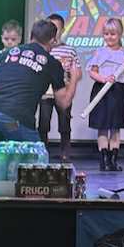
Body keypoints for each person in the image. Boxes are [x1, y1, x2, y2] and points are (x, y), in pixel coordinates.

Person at [0, 19, 77, 144]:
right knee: (36, 153)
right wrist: (74, 77)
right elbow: (63, 104)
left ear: (31, 36)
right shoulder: (52, 63)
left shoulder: (7, 53)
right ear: (53, 41)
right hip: (14, 119)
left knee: (4, 145)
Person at [87, 18, 124, 171]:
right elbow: (92, 72)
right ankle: (103, 160)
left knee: (115, 126)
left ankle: (113, 161)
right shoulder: (99, 52)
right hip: (101, 90)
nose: (109, 37)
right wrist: (104, 79)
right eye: (106, 34)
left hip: (118, 91)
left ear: (119, 34)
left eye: (113, 34)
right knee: (102, 126)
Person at [39, 13, 81, 161]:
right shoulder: (43, 49)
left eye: (56, 29)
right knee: (44, 123)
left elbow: (78, 72)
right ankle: (43, 152)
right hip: (46, 92)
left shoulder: (69, 50)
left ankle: (65, 152)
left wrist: (71, 76)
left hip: (63, 92)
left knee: (64, 123)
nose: (53, 32)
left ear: (62, 30)